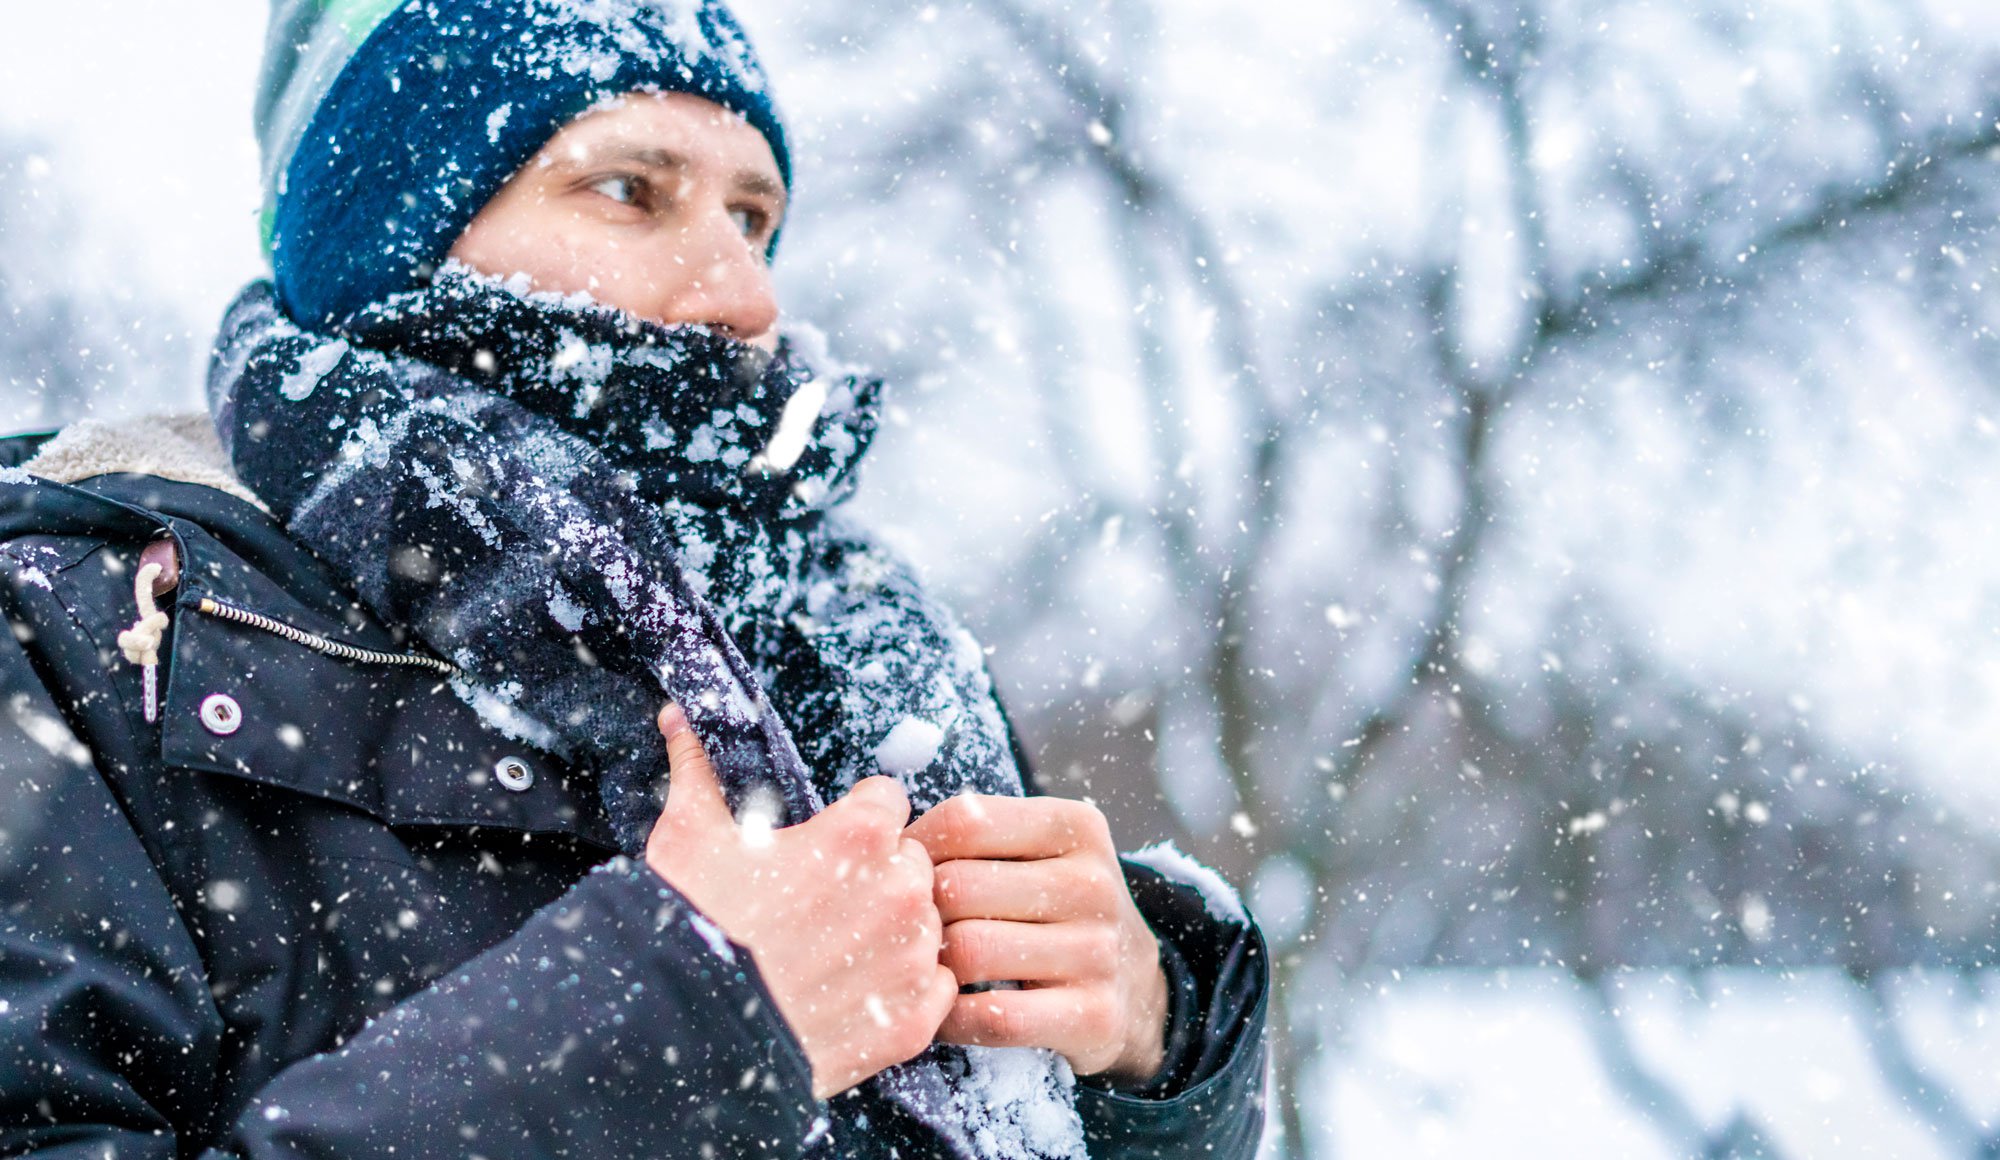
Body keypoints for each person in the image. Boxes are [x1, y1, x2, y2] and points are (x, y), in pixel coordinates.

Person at [0, 1, 1268, 1156]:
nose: (743, 294)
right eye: (628, 187)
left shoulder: (858, 640)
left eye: (753, 216)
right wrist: (681, 1027)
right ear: (392, 233)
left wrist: (1153, 1045)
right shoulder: (77, 633)